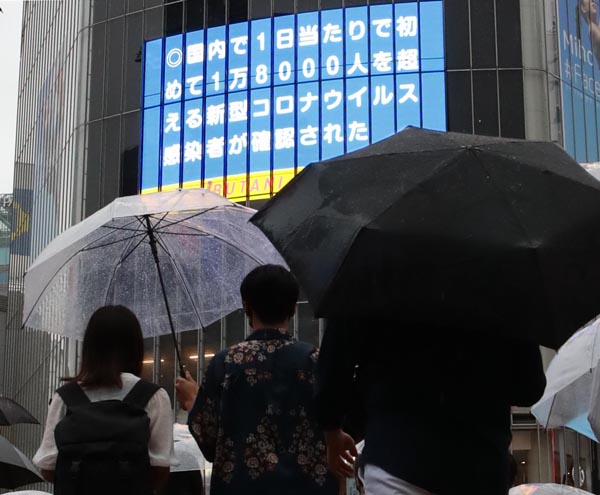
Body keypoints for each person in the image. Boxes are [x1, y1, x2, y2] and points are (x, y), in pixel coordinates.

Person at [316, 318, 546, 495]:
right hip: (480, 463)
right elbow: (530, 388)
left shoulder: (375, 275)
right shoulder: (502, 284)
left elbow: (337, 353)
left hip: (396, 454)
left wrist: (332, 426)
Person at [176, 264, 338, 495]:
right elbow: (338, 425)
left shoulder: (226, 362)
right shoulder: (315, 360)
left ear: (246, 306)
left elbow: (210, 442)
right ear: (293, 308)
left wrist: (192, 401)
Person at [33, 305, 175, 494]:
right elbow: (160, 468)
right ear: (136, 347)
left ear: (89, 347)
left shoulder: (65, 397)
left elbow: (48, 467)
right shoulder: (154, 397)